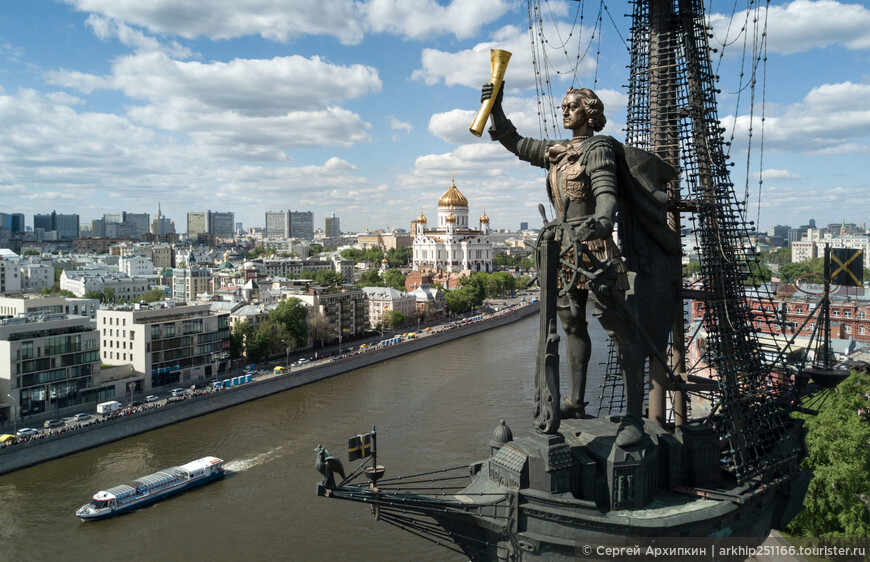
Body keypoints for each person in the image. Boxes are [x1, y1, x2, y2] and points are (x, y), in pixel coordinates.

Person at [482, 83, 649, 447]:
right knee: (572, 324)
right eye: (563, 107)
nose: (564, 111)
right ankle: (575, 401)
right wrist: (495, 107)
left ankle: (634, 416)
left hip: (596, 247)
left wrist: (602, 222)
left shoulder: (599, 148)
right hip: (564, 250)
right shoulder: (558, 151)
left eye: (572, 106)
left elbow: (607, 198)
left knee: (620, 330)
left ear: (588, 112)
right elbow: (516, 142)